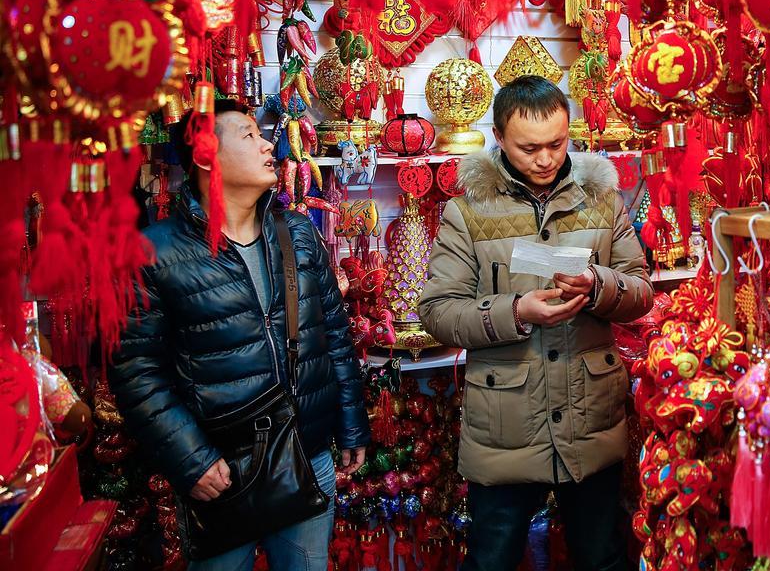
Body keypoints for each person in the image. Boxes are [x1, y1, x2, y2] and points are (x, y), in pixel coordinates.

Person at [109, 100, 368, 570]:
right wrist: (191, 459)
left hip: (308, 456)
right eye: (249, 136)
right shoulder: (153, 252)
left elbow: (333, 333)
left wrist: (351, 422)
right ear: (207, 155)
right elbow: (137, 371)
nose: (268, 144)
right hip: (223, 473)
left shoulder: (297, 234)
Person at [419, 75, 654, 571]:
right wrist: (516, 312)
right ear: (499, 139)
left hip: (590, 417)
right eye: (529, 148)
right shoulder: (468, 212)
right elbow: (439, 311)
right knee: (491, 559)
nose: (545, 159)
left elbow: (640, 292)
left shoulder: (602, 201)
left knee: (602, 556)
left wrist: (598, 285)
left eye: (557, 143)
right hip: (507, 425)